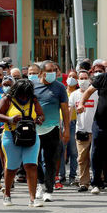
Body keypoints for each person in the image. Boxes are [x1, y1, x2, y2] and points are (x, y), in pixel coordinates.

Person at [77, 54, 107, 195]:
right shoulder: (102, 78)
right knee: (96, 152)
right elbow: (89, 91)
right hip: (100, 122)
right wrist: (81, 103)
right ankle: (96, 183)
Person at [0, 79, 46, 207]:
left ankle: (33, 199)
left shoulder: (33, 99)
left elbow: (41, 115)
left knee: (31, 165)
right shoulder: (8, 99)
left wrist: (39, 119)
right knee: (12, 167)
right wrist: (10, 119)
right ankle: (7, 195)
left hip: (31, 137)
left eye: (26, 95)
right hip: (11, 136)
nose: (24, 97)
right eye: (22, 94)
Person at [33, 61, 69, 203]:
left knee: (50, 161)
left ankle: (49, 189)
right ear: (41, 73)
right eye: (50, 71)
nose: (53, 73)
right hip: (34, 130)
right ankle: (40, 184)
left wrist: (66, 129)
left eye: (54, 70)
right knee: (34, 161)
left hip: (53, 128)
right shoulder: (32, 86)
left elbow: (65, 110)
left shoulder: (59, 87)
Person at [68, 70, 98, 192]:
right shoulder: (74, 94)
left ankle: (97, 180)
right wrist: (66, 124)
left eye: (85, 78)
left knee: (94, 157)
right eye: (81, 78)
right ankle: (83, 183)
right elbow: (70, 110)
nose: (83, 80)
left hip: (95, 130)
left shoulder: (96, 94)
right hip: (81, 130)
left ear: (89, 79)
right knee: (82, 158)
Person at [60, 70, 79, 186]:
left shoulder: (78, 93)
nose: (71, 78)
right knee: (62, 150)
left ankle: (72, 176)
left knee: (73, 151)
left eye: (74, 77)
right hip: (62, 122)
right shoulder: (63, 92)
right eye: (70, 76)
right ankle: (62, 175)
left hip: (74, 123)